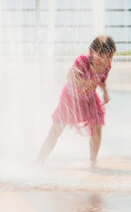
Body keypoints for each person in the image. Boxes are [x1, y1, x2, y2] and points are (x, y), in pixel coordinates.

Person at [36, 35, 116, 167]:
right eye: (101, 57)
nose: (105, 61)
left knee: (97, 128)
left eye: (109, 57)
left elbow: (101, 80)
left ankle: (93, 161)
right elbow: (70, 74)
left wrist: (105, 91)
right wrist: (82, 81)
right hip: (70, 99)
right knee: (56, 130)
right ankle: (40, 159)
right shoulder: (83, 61)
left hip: (89, 100)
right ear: (91, 53)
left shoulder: (107, 66)